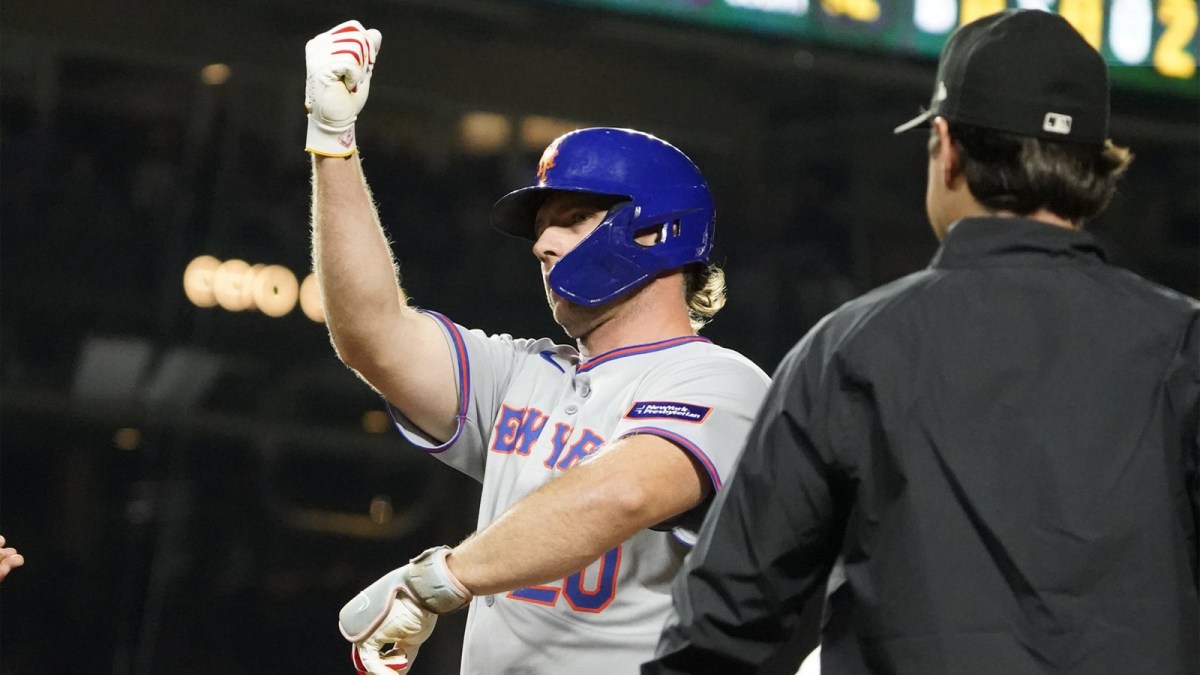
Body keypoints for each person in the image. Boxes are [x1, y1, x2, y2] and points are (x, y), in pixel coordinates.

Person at [645, 9, 1199, 675]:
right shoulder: (1184, 342)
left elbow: (722, 622)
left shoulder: (852, 346)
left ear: (948, 147)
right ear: (1094, 164)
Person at [302, 20, 771, 675]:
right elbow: (372, 334)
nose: (544, 245)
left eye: (572, 220)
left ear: (656, 232)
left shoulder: (724, 383)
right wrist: (333, 144)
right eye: (541, 229)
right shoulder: (526, 371)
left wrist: (443, 577)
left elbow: (625, 494)